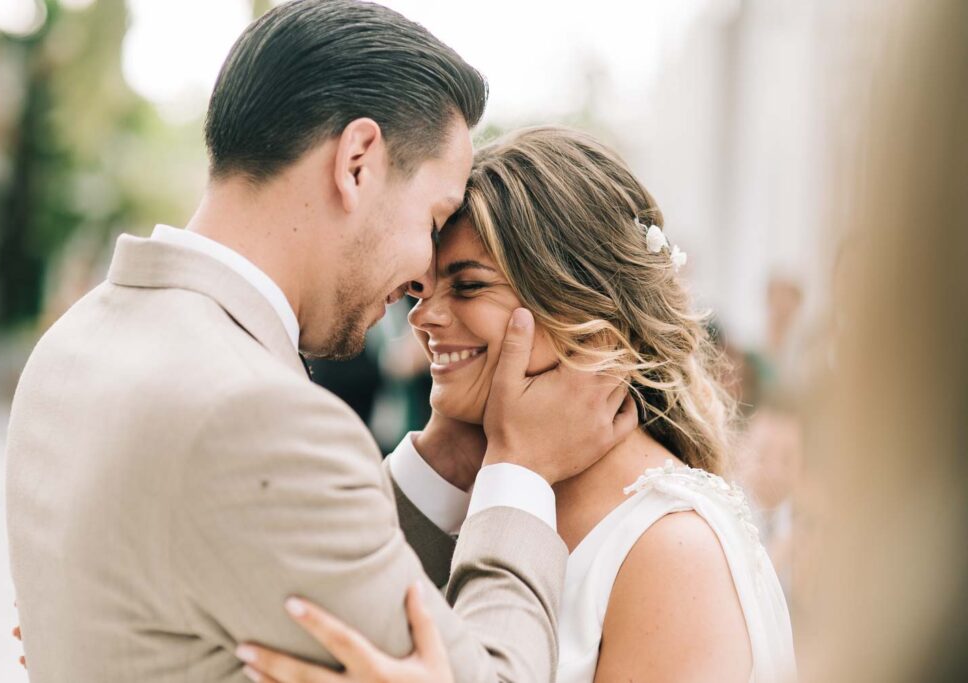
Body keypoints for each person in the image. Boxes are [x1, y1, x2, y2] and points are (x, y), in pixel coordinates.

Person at [4, 2, 636, 682]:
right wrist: (521, 470)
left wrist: (448, 453)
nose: (426, 274)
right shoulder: (255, 414)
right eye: (433, 218)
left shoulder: (75, 345)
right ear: (357, 162)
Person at [239, 127, 797, 682]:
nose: (421, 317)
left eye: (468, 286)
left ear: (584, 307)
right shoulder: (491, 494)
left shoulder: (673, 550)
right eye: (422, 289)